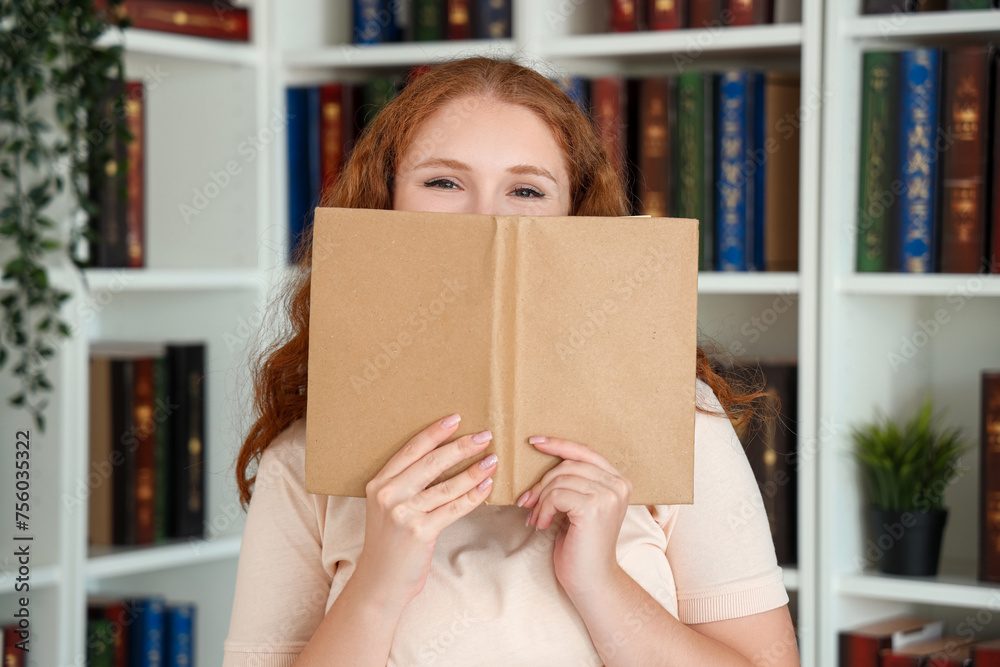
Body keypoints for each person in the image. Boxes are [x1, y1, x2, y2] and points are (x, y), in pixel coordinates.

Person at [223, 57, 799, 667]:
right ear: (383, 202)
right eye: (443, 182)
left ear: (574, 220)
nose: (486, 218)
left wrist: (599, 582)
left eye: (526, 190)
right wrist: (378, 582)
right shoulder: (305, 455)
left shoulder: (679, 421)